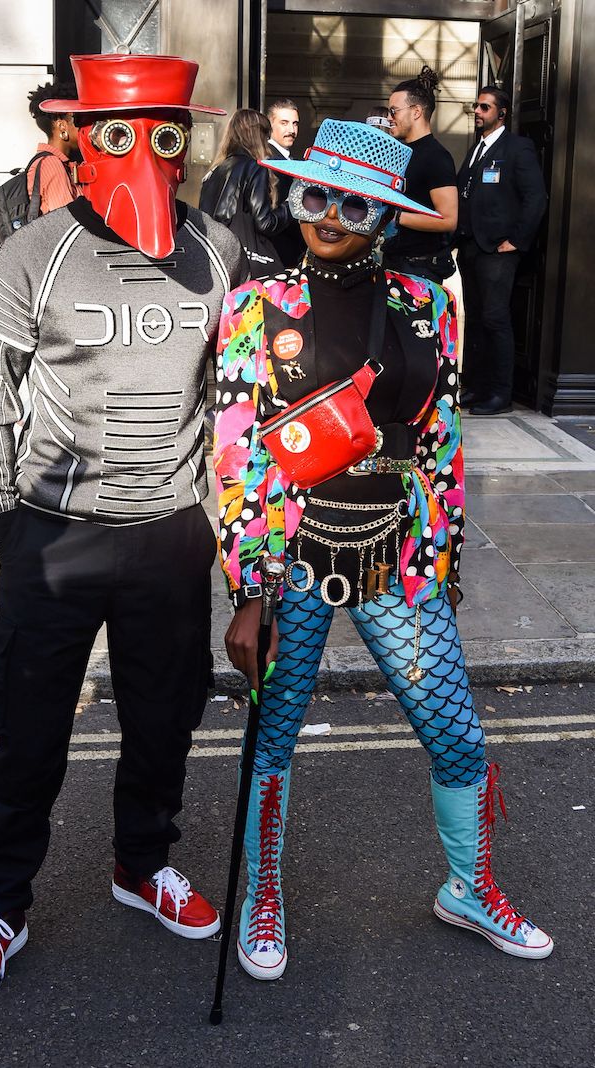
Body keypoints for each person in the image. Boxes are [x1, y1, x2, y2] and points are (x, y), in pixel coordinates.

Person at [214, 118, 553, 982]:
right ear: (296, 197)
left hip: (395, 559)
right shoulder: (258, 306)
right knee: (274, 740)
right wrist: (249, 589)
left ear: (384, 215)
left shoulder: (427, 304)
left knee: (455, 734)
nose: (329, 216)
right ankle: (263, 896)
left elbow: (442, 440)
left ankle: (468, 890)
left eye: (353, 203)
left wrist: (442, 560)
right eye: (316, 195)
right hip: (293, 558)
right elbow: (237, 450)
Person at [0, 53, 246, 1010]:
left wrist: (238, 541)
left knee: (166, 717)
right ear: (80, 139)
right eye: (123, 131)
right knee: (27, 728)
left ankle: (142, 862)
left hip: (169, 534)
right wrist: (3, 518)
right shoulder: (34, 252)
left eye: (169, 132)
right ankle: (1, 904)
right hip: (56, 533)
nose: (149, 152)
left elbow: (235, 406)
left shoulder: (218, 249)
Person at [456, 86, 547, 415]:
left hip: (498, 251)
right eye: (475, 106)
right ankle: (476, 387)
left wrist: (517, 241)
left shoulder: (517, 148)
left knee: (495, 320)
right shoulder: (476, 148)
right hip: (470, 248)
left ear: (501, 113)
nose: (477, 112)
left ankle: (500, 393)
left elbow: (536, 197)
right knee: (476, 320)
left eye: (484, 107)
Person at [382, 66, 458, 284]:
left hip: (419, 270)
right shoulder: (400, 152)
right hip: (395, 262)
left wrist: (396, 218)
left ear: (416, 112)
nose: (389, 118)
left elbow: (448, 220)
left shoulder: (437, 157)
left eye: (394, 111)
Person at [200, 108, 292, 276]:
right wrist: (291, 204)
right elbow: (266, 223)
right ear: (258, 137)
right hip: (246, 263)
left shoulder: (214, 172)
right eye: (266, 135)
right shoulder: (255, 167)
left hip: (215, 260)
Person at [26, 80, 81, 213]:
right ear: (62, 127)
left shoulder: (60, 165)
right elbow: (67, 225)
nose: (85, 128)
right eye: (80, 121)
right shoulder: (52, 165)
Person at [265, 98, 305, 268]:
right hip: (275, 251)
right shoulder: (268, 160)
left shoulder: (289, 160)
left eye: (295, 124)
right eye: (284, 123)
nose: (291, 130)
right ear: (270, 125)